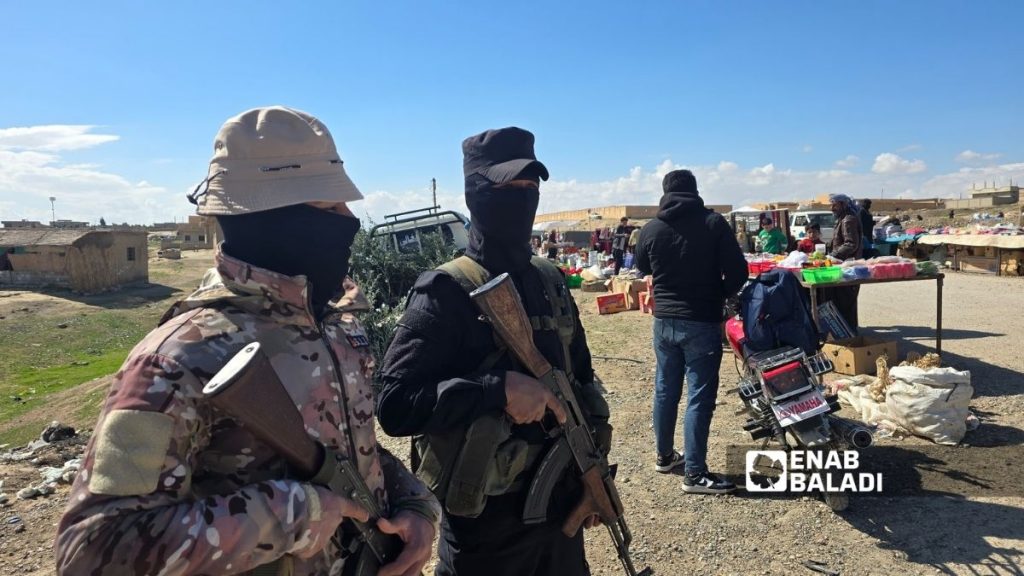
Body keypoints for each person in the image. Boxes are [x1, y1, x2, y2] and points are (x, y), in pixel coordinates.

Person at [55, 107, 439, 576]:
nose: (350, 220)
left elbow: (350, 451)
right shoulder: (177, 358)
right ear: (270, 217)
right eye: (328, 208)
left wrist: (413, 504)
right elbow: (92, 549)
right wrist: (290, 516)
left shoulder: (336, 322)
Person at [377, 127, 611, 576]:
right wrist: (495, 389)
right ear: (475, 192)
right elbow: (395, 404)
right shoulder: (445, 290)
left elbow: (580, 377)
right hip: (486, 527)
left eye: (530, 186)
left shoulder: (550, 280)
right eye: (507, 187)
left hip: (561, 512)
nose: (522, 198)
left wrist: (590, 470)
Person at [634, 169, 747, 494]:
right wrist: (719, 294)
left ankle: (665, 455)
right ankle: (695, 474)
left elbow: (642, 267)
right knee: (699, 396)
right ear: (695, 190)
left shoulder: (651, 228)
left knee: (665, 389)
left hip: (664, 321)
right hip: (701, 319)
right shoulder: (712, 223)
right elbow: (738, 271)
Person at [825, 193, 864, 329]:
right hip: (844, 265)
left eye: (834, 205)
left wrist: (833, 255)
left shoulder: (848, 219)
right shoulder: (843, 218)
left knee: (846, 301)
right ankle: (847, 331)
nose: (832, 208)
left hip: (849, 266)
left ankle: (849, 333)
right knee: (843, 302)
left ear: (843, 204)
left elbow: (851, 244)